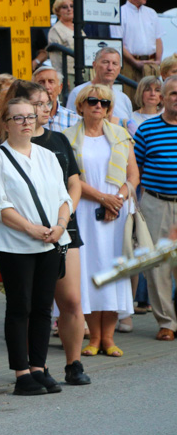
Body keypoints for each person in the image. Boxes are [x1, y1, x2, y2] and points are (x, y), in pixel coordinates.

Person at [0, 97, 73, 395]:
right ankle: (22, 373)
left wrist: (59, 227)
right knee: (20, 307)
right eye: (18, 118)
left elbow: (64, 197)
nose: (25, 123)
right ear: (5, 124)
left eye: (30, 117)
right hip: (16, 245)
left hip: (51, 242)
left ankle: (39, 367)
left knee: (43, 309)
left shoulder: (47, 156)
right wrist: (32, 229)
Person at [22, 82, 91, 385]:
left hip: (64, 227)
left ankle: (73, 364)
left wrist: (65, 216)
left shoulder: (60, 139)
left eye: (48, 102)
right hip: (28, 230)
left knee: (72, 300)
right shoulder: (13, 144)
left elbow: (73, 183)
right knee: (34, 303)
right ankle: (37, 366)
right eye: (38, 103)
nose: (46, 107)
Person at [65, 83, 139, 358]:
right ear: (81, 105)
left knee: (112, 270)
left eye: (105, 103)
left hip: (115, 214)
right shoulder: (68, 137)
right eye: (93, 101)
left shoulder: (120, 135)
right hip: (84, 210)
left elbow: (133, 176)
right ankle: (93, 337)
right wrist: (102, 198)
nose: (99, 106)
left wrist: (116, 199)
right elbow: (70, 179)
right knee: (89, 270)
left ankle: (108, 337)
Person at [133, 75, 177, 342]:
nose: (176, 98)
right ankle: (167, 322)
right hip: (155, 202)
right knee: (157, 267)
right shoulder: (147, 130)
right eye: (172, 93)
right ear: (163, 98)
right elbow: (135, 169)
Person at [110, 0, 163, 99]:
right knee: (131, 98)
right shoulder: (120, 13)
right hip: (130, 66)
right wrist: (135, 63)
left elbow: (158, 39)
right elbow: (118, 43)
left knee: (152, 101)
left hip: (151, 65)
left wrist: (158, 61)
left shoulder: (151, 13)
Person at [66, 48, 133, 124]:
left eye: (114, 63)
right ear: (94, 65)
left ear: (119, 69)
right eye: (105, 62)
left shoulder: (124, 99)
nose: (110, 68)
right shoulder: (78, 92)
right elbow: (71, 124)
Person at [47, 0, 84, 88]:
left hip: (84, 72)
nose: (69, 9)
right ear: (58, 11)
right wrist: (62, 78)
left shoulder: (78, 27)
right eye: (64, 7)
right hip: (69, 74)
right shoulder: (56, 30)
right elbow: (56, 59)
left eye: (72, 6)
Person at [33, 65, 81, 131]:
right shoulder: (29, 119)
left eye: (51, 82)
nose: (46, 87)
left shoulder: (74, 119)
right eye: (41, 82)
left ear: (60, 88)